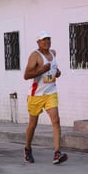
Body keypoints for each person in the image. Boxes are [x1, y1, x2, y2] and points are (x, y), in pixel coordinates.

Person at [23, 31, 68, 165]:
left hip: (51, 93)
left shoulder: (53, 53)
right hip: (36, 95)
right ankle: (27, 148)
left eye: (48, 39)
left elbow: (54, 70)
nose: (46, 42)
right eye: (43, 40)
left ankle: (57, 153)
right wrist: (41, 70)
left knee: (56, 120)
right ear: (38, 42)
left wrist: (57, 72)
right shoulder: (35, 56)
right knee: (32, 124)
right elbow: (26, 75)